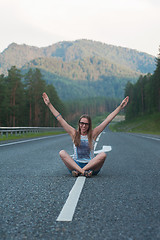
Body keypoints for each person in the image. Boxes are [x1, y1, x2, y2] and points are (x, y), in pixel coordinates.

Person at [42, 92, 129, 177]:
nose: (83, 125)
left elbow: (107, 120)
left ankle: (80, 172)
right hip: (76, 165)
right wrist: (49, 104)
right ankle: (83, 172)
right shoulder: (74, 133)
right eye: (82, 123)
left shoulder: (93, 134)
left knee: (103, 155)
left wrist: (120, 107)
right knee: (62, 153)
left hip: (91, 166)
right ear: (79, 123)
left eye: (86, 124)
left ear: (89, 125)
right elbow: (60, 119)